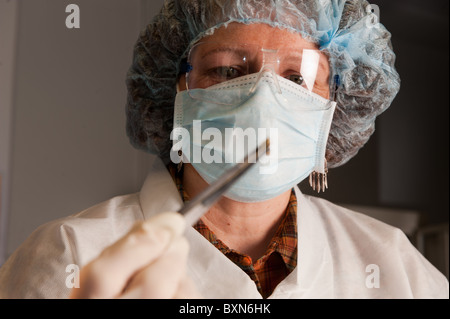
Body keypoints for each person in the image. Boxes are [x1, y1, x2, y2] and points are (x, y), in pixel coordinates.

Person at [0, 0, 448, 299]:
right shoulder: (71, 254)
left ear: (334, 105)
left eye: (296, 79)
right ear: (176, 89)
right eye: (228, 69)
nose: (262, 100)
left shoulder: (393, 265)